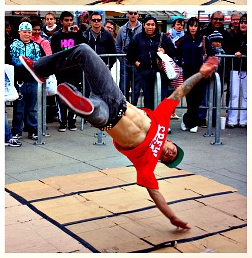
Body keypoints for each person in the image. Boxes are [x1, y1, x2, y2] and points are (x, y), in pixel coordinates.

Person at [19, 43, 219, 228]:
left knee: (93, 112)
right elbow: (180, 92)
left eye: (168, 159)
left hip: (108, 118)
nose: (168, 154)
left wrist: (172, 217)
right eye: (173, 151)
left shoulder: (146, 164)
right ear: (171, 142)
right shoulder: (163, 119)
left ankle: (76, 100)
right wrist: (201, 74)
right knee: (84, 50)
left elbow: (155, 193)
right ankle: (40, 69)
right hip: (115, 96)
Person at [127, 15, 177, 110]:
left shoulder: (163, 37)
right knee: (148, 99)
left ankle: (162, 121)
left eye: (153, 25)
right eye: (148, 24)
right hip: (145, 72)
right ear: (144, 25)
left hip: (162, 72)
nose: (150, 27)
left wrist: (164, 50)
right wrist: (137, 63)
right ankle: (150, 121)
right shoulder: (137, 38)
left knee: (163, 97)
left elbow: (173, 51)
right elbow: (130, 54)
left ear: (156, 26)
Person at [50, 11, 86, 132]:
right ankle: (62, 122)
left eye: (71, 20)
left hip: (75, 71)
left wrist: (78, 32)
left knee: (74, 96)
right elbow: (55, 53)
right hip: (61, 71)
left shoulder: (76, 34)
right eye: (66, 20)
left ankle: (72, 121)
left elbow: (84, 46)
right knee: (61, 97)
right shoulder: (56, 36)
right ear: (61, 21)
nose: (69, 22)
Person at [8, 20, 44, 140]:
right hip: (19, 81)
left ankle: (32, 129)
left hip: (33, 80)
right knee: (18, 107)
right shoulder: (12, 45)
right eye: (25, 32)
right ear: (19, 32)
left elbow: (42, 61)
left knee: (32, 108)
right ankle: (17, 130)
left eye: (29, 32)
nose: (27, 34)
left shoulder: (36, 46)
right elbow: (7, 62)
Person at [176, 17, 212, 132]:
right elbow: (177, 55)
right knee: (190, 98)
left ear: (198, 27)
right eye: (191, 25)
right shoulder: (183, 40)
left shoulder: (204, 40)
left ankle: (189, 120)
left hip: (200, 74)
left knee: (198, 99)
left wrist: (206, 66)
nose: (193, 28)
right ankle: (189, 121)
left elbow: (212, 55)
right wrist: (181, 62)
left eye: (195, 26)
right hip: (187, 73)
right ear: (188, 27)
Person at [116, 10, 143, 105]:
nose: (133, 15)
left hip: (137, 62)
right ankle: (125, 107)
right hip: (125, 62)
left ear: (138, 15)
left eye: (135, 13)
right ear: (128, 14)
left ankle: (134, 106)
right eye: (131, 13)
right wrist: (121, 59)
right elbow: (118, 45)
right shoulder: (122, 29)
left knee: (136, 89)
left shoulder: (143, 28)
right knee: (123, 87)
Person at [227, 15, 246, 128]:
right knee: (234, 94)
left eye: (246, 22)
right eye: (242, 22)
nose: (243, 24)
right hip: (235, 69)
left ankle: (244, 120)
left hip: (247, 70)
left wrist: (242, 52)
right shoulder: (234, 36)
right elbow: (229, 49)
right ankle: (232, 120)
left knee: (246, 96)